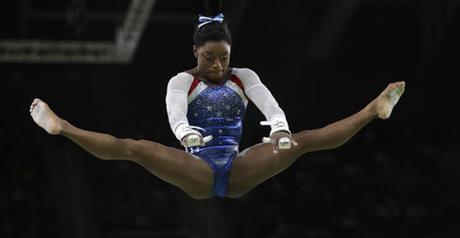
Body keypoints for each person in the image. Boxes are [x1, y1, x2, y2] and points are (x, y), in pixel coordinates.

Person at [29, 13, 405, 200]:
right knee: (136, 148)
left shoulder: (243, 76)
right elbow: (176, 114)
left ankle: (373, 110)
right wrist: (185, 132)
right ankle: (63, 126)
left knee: (304, 140)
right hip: (198, 167)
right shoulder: (182, 82)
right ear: (196, 52)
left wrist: (280, 128)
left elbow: (268, 104)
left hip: (239, 165)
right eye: (210, 58)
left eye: (224, 58)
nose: (218, 66)